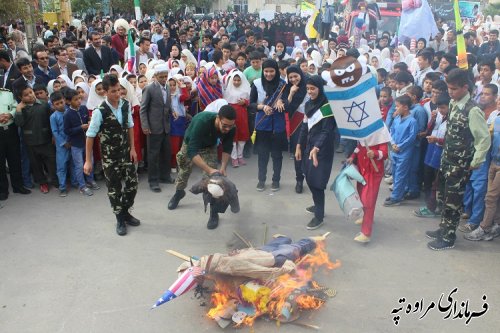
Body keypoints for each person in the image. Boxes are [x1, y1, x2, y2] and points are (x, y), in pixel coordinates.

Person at [426, 69, 491, 250]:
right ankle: (443, 229)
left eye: (453, 89)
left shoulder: (473, 110)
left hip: (460, 165)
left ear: (465, 87)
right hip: (448, 159)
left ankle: (448, 238)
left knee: (453, 202)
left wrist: (475, 162)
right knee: (444, 197)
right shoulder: (454, 103)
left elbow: (483, 139)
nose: (450, 92)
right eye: (448, 88)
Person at [84, 74, 140, 236]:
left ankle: (125, 211)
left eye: (120, 90)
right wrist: (88, 161)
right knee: (114, 188)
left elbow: (130, 126)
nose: (118, 94)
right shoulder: (99, 112)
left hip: (125, 152)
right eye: (114, 91)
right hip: (110, 157)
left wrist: (133, 148)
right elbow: (90, 136)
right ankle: (120, 218)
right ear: (105, 92)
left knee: (132, 184)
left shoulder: (125, 105)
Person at [167, 105, 236, 230]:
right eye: (224, 125)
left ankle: (214, 213)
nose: (227, 129)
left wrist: (223, 167)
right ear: (218, 118)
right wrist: (209, 169)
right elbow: (192, 151)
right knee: (184, 171)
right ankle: (179, 193)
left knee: (213, 181)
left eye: (230, 126)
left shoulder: (231, 127)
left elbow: (227, 147)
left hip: (209, 147)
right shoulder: (202, 122)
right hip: (190, 144)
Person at [295, 75, 336, 230]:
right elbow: (304, 127)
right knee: (310, 177)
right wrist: (299, 145)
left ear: (320, 88)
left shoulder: (327, 106)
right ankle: (319, 205)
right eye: (308, 89)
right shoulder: (308, 105)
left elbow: (327, 131)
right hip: (309, 147)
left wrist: (317, 147)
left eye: (313, 88)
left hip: (322, 149)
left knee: (317, 182)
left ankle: (319, 216)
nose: (310, 91)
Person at [251, 59, 287, 192]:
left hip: (277, 125)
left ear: (276, 71)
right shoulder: (256, 84)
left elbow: (287, 100)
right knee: (262, 155)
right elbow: (251, 104)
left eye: (272, 71)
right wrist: (262, 106)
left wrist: (281, 101)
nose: (269, 74)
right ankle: (261, 180)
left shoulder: (283, 84)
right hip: (262, 124)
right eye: (266, 71)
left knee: (277, 155)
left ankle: (276, 180)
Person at [14, 85, 57, 193]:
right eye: (26, 95)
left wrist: (53, 135)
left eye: (31, 92)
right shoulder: (21, 109)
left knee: (52, 161)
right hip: (31, 142)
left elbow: (51, 121)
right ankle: (43, 183)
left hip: (46, 139)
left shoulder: (43, 105)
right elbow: (19, 123)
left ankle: (56, 180)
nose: (30, 95)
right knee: (36, 164)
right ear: (21, 98)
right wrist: (18, 109)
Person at [139, 64, 174, 193]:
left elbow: (166, 104)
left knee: (166, 152)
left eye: (166, 76)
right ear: (155, 76)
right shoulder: (149, 89)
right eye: (161, 77)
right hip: (153, 127)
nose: (164, 79)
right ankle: (153, 181)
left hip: (165, 126)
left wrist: (172, 111)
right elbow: (143, 109)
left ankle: (164, 176)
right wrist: (145, 126)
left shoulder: (168, 87)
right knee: (153, 155)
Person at [63, 89, 99, 196]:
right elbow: (67, 131)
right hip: (76, 144)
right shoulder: (67, 114)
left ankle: (90, 180)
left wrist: (90, 120)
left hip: (87, 141)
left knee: (90, 162)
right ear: (69, 102)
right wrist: (80, 127)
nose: (79, 101)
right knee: (79, 165)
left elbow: (87, 118)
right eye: (75, 99)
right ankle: (82, 186)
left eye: (79, 98)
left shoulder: (83, 108)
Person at [384, 95, 418, 206]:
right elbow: (392, 131)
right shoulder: (397, 118)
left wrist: (400, 146)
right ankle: (399, 193)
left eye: (397, 106)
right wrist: (393, 143)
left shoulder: (412, 121)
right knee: (394, 173)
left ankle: (396, 197)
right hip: (395, 150)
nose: (395, 108)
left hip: (404, 152)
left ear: (405, 107)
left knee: (400, 174)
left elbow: (412, 137)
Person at [279, 65, 308, 193]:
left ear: (300, 74)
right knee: (298, 152)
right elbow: (286, 107)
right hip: (296, 123)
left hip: (312, 121)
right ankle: (299, 180)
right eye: (290, 77)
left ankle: (312, 178)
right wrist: (291, 93)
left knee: (311, 151)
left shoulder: (309, 85)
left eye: (295, 76)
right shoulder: (286, 88)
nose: (293, 79)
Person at [0, 87, 31, 201]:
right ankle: (3, 190)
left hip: (10, 130)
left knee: (15, 159)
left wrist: (9, 115)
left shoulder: (7, 93)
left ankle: (18, 186)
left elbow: (15, 106)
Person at [49, 91, 75, 197]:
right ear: (53, 105)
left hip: (73, 142)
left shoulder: (71, 111)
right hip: (62, 145)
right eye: (57, 104)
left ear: (64, 100)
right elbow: (54, 132)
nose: (60, 105)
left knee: (74, 164)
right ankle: (62, 187)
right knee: (62, 166)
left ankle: (75, 182)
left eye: (61, 102)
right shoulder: (53, 117)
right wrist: (63, 143)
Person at [223, 70, 250, 168]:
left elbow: (250, 101)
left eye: (239, 80)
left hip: (242, 116)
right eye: (235, 80)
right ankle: (234, 158)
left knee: (242, 136)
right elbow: (225, 102)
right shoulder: (228, 91)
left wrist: (245, 102)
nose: (237, 82)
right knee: (233, 137)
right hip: (231, 116)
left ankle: (240, 156)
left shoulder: (246, 90)